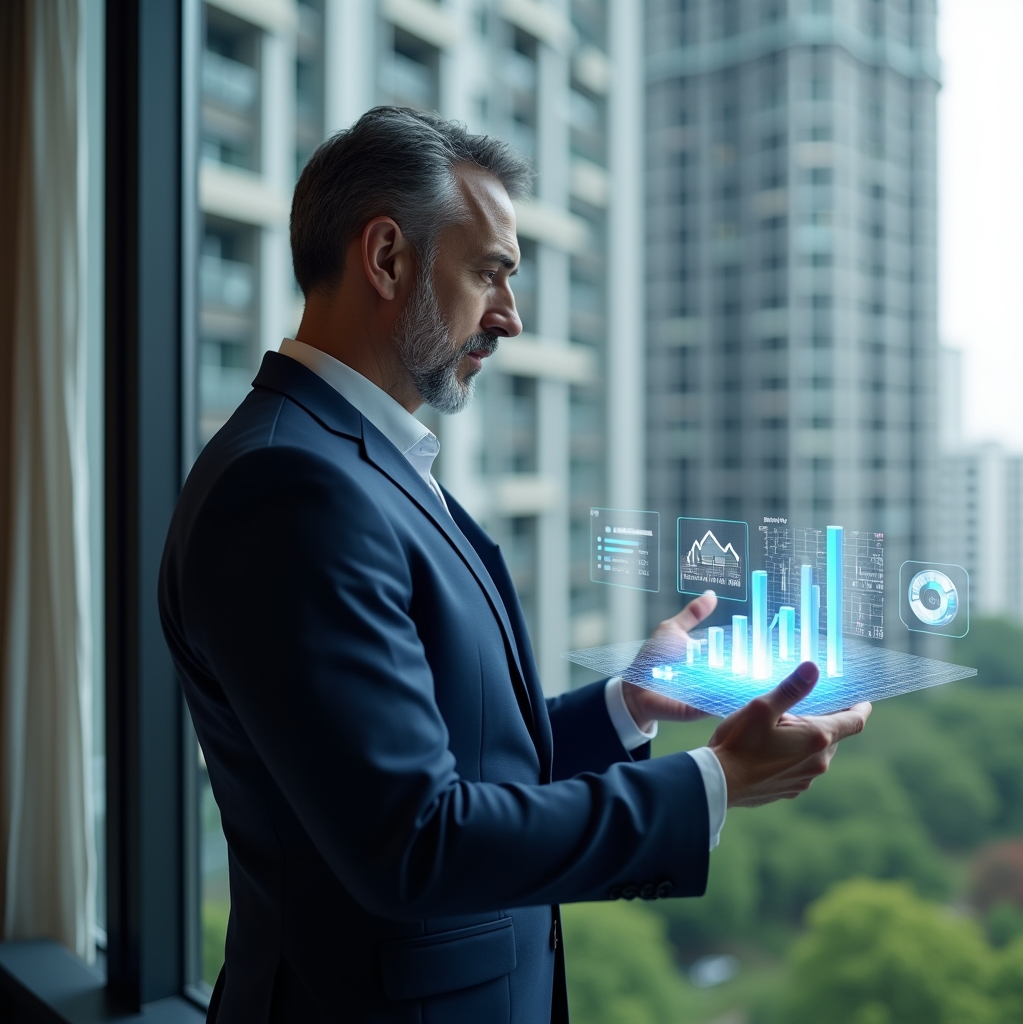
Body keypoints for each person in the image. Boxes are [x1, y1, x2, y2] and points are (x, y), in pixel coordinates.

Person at [158, 107, 870, 1023]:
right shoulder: (292, 489)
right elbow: (413, 841)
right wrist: (715, 782)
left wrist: (625, 706)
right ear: (386, 258)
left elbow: (446, 754)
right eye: (490, 272)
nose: (511, 316)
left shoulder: (347, 462)